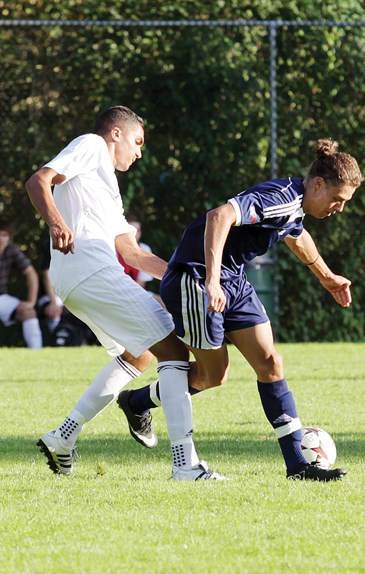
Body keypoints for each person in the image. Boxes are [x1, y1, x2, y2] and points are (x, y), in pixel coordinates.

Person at [117, 138, 364, 482]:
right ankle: (138, 401)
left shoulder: (295, 206)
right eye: (338, 199)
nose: (339, 208)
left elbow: (297, 234)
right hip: (196, 279)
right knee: (213, 375)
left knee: (270, 363)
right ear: (319, 184)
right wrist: (213, 281)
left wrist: (327, 277)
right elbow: (219, 217)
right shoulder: (278, 197)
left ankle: (298, 466)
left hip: (233, 280)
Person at [26, 105, 222, 481]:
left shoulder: (108, 187)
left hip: (81, 277)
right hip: (90, 271)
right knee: (174, 351)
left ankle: (62, 438)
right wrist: (56, 223)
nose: (139, 152)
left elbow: (132, 253)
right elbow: (39, 180)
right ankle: (185, 464)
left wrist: (184, 276)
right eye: (137, 142)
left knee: (143, 353)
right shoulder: (92, 146)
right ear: (116, 134)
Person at [0, 219, 43, 349]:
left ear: (9, 238)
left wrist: (31, 302)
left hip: (2, 298)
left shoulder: (11, 250)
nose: (1, 239)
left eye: (4, 235)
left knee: (28, 312)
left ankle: (38, 356)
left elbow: (31, 273)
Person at [118, 213, 163, 305]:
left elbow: (141, 284)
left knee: (162, 302)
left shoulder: (145, 250)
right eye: (131, 231)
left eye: (137, 231)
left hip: (137, 291)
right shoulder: (114, 249)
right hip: (116, 292)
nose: (134, 235)